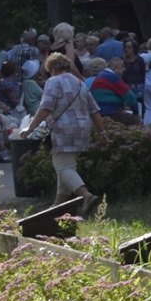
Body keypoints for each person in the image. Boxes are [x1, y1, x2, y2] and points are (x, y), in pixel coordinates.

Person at [29, 52, 105, 212]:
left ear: (52, 68)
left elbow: (46, 108)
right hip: (83, 129)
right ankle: (58, 206)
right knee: (67, 167)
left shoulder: (53, 81)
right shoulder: (80, 83)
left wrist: (30, 128)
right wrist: (101, 132)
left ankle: (86, 195)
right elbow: (94, 110)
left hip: (63, 129)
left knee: (63, 167)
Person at [85, 57, 136, 123]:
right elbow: (129, 96)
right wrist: (136, 112)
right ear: (115, 68)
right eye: (122, 67)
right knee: (135, 120)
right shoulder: (112, 77)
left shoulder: (94, 78)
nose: (124, 69)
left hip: (96, 112)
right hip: (110, 112)